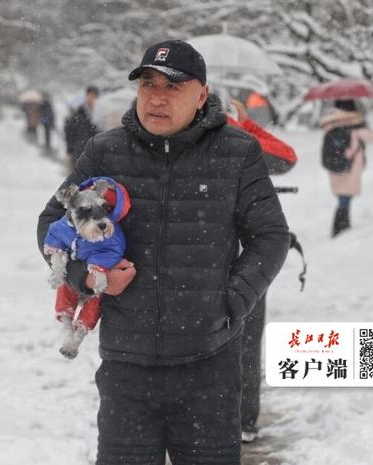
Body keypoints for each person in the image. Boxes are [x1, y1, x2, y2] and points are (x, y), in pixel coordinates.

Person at [37, 39, 290, 465]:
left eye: (173, 87)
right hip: (127, 370)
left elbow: (271, 236)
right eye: (148, 84)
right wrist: (89, 277)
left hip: (207, 368)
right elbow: (51, 225)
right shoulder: (105, 152)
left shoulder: (237, 152)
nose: (156, 97)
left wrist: (231, 302)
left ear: (202, 95)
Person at [227, 98, 298, 442]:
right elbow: (286, 157)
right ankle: (242, 419)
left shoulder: (179, 142)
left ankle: (219, 418)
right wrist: (247, 126)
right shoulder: (242, 142)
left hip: (204, 255)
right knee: (247, 340)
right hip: (249, 256)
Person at [320, 99, 373, 237]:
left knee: (343, 197)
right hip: (349, 166)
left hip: (335, 165)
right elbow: (370, 138)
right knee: (345, 199)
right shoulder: (355, 124)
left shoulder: (330, 122)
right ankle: (341, 228)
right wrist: (361, 125)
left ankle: (341, 226)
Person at [64, 85, 99, 172]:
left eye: (95, 96)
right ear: (86, 97)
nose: (92, 99)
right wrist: (70, 149)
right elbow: (69, 131)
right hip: (80, 150)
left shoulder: (101, 114)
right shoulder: (78, 114)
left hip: (97, 151)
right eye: (90, 96)